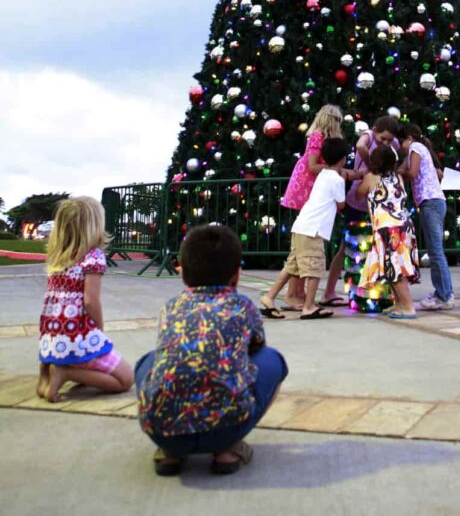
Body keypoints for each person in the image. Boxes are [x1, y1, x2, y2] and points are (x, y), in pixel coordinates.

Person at [136, 224, 287, 477]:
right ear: (236, 275)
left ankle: (170, 452)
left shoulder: (172, 306)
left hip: (163, 430)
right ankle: (227, 450)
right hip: (225, 428)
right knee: (273, 360)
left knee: (149, 360)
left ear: (183, 274)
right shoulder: (243, 306)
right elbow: (257, 348)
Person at [38, 196, 134, 404]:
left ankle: (48, 375)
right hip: (78, 337)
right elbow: (90, 301)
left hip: (54, 338)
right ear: (93, 226)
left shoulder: (57, 256)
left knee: (77, 356)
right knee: (126, 380)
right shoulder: (93, 256)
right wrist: (98, 329)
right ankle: (65, 374)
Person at [259, 138, 349, 320]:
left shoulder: (322, 174)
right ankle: (309, 306)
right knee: (315, 267)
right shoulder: (337, 180)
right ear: (343, 159)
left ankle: (269, 297)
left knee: (292, 267)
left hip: (301, 226)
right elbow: (341, 205)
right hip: (313, 231)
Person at [322, 114, 402, 308]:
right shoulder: (368, 136)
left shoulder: (394, 143)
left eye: (389, 140)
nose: (385, 142)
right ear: (374, 131)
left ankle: (379, 291)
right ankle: (330, 291)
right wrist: (372, 165)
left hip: (380, 208)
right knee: (346, 247)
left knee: (381, 248)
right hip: (359, 204)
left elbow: (399, 151)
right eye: (382, 138)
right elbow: (359, 146)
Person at [279, 104, 344, 311]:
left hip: (314, 186)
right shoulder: (317, 137)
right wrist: (335, 170)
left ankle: (298, 293)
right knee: (303, 246)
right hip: (306, 187)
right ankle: (294, 294)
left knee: (301, 246)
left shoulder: (321, 138)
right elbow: (312, 166)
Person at [357, 143, 420, 318]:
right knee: (391, 266)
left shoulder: (371, 177)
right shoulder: (397, 177)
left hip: (387, 228)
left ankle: (408, 307)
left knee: (394, 267)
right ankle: (398, 303)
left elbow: (359, 194)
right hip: (404, 226)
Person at [400, 123, 454, 310]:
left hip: (430, 202)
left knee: (435, 251)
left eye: (401, 142)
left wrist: (396, 172)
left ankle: (444, 295)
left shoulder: (415, 147)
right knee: (436, 250)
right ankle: (445, 291)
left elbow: (412, 173)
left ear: (408, 138)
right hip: (435, 202)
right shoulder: (423, 149)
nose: (401, 147)